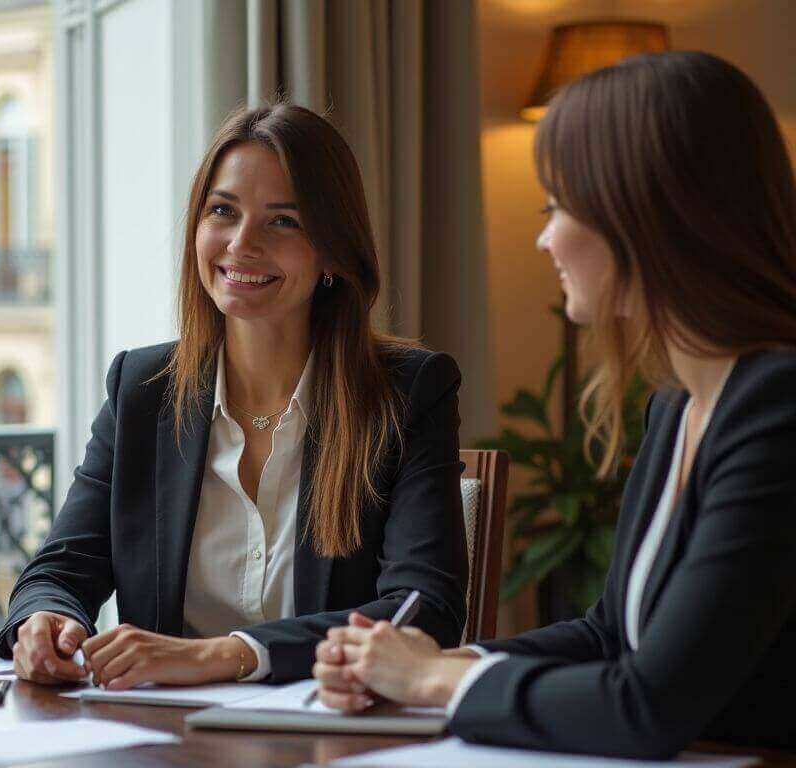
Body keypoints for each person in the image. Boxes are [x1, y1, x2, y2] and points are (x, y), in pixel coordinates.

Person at [312, 50, 796, 759]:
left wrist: (434, 683)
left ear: (645, 212)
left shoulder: (775, 408)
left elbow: (648, 705)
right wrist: (443, 667)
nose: (544, 237)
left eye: (558, 205)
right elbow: (609, 634)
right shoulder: (678, 405)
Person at [0, 103, 469, 691]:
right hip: (161, 737)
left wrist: (225, 655)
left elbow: (424, 611)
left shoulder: (406, 393)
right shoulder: (142, 390)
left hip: (331, 734)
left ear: (331, 251)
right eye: (223, 211)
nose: (241, 244)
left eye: (283, 221)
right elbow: (62, 568)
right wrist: (48, 620)